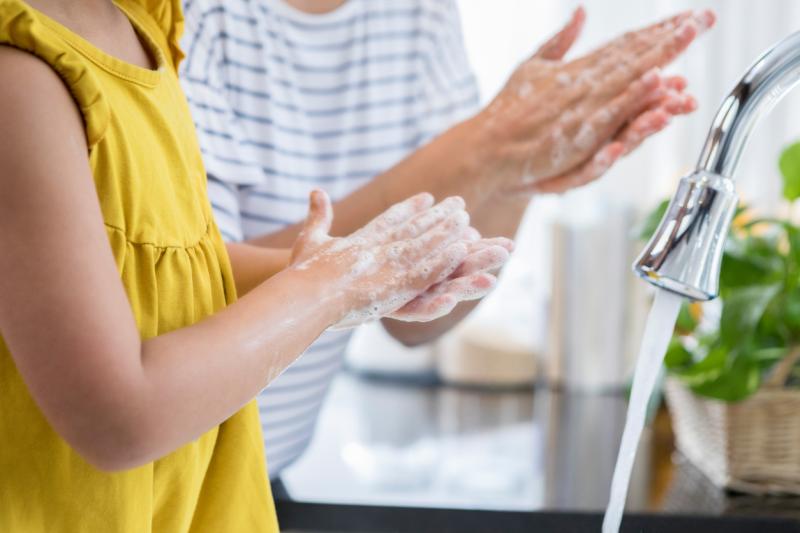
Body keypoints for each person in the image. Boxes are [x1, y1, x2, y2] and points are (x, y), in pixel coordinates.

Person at [0, 0, 511, 531]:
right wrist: (329, 286)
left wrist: (352, 274)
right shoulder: (19, 77)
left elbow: (161, 261)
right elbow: (119, 419)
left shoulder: (148, 22)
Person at [180, 0, 715, 486]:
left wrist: (517, 171)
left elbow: (417, 323)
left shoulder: (421, 14)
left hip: (264, 475)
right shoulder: (190, 15)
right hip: (171, 481)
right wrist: (487, 145)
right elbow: (189, 291)